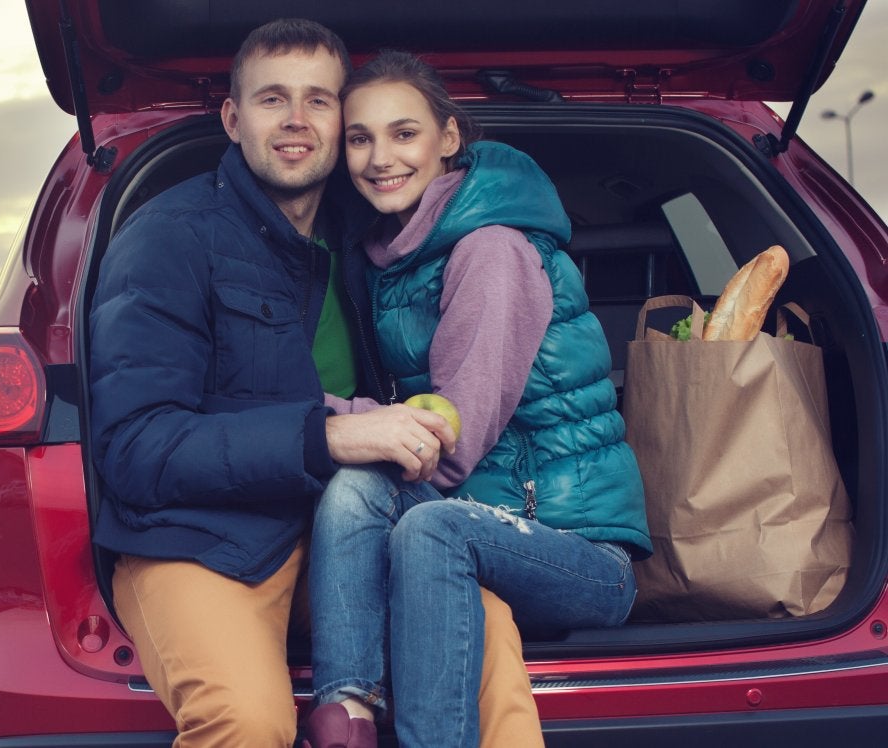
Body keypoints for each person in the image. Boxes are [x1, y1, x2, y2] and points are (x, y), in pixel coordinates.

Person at [87, 20, 542, 747]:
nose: (297, 121)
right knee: (245, 718)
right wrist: (329, 436)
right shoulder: (168, 236)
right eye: (273, 100)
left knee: (486, 639)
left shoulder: (368, 237)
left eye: (319, 101)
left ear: (343, 121)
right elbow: (136, 448)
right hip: (200, 543)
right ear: (234, 120)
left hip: (349, 531)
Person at [305, 50, 653, 748]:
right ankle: (346, 715)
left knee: (430, 526)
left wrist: (320, 417)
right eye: (360, 138)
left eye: (404, 134)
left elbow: (451, 446)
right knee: (353, 487)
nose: (380, 157)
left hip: (577, 550)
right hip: (486, 520)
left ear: (451, 138)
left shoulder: (489, 252)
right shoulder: (392, 252)